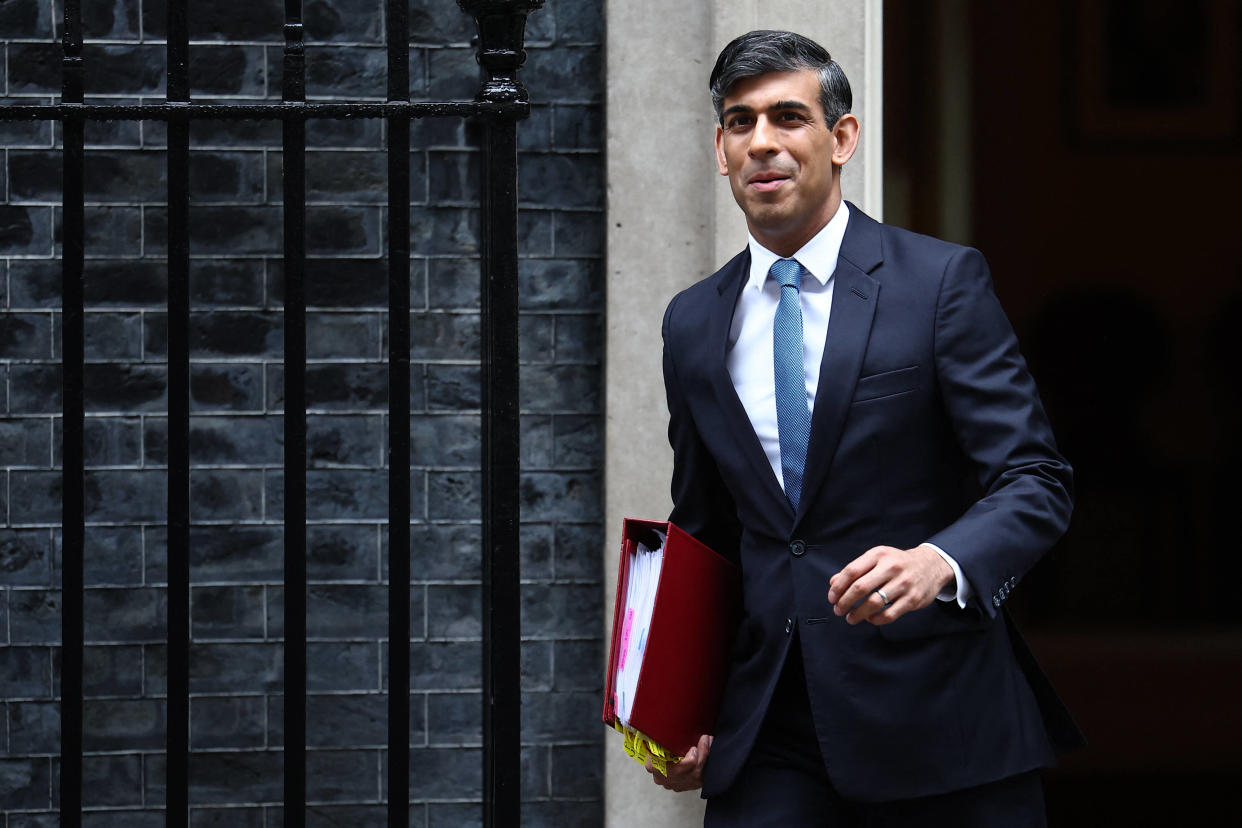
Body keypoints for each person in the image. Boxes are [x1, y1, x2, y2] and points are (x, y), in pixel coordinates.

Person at [646, 30, 1082, 827]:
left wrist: (939, 561)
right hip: (770, 728)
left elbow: (1035, 480)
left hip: (940, 723)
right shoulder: (692, 324)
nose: (763, 143)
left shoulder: (941, 283)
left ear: (842, 137)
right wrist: (676, 711)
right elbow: (705, 530)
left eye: (788, 117)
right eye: (741, 123)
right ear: (719, 148)